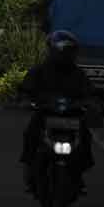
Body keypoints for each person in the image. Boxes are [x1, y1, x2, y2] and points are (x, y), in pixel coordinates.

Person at [19, 29, 96, 193]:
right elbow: (27, 88)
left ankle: (79, 174)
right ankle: (29, 169)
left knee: (85, 136)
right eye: (62, 50)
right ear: (52, 50)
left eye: (68, 51)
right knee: (31, 133)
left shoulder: (78, 74)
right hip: (46, 114)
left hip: (71, 116)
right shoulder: (39, 71)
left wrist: (90, 103)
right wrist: (26, 99)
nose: (64, 55)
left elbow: (89, 92)